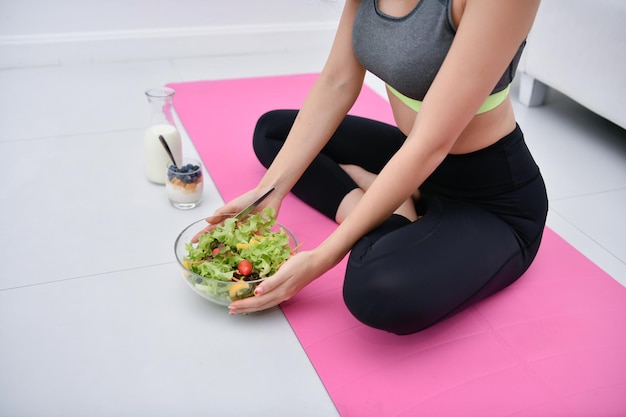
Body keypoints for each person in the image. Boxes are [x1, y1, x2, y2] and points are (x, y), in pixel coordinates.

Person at [206, 0, 548, 335]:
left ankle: (396, 208)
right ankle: (389, 200)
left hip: (488, 199)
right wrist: (269, 192)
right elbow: (337, 81)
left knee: (376, 291)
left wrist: (322, 257)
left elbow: (431, 145)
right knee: (273, 132)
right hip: (410, 153)